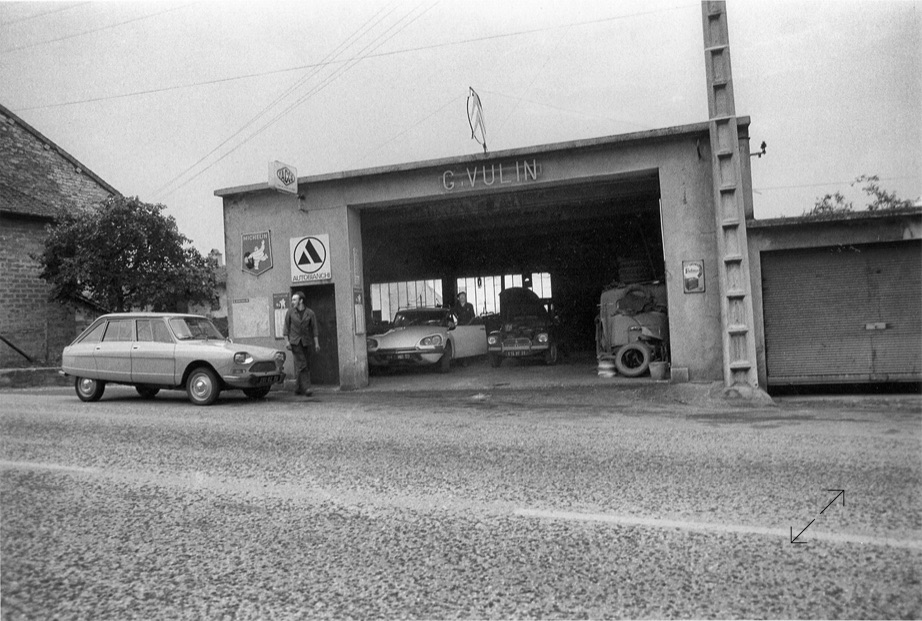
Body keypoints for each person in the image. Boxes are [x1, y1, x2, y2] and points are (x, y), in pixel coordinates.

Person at [283, 291, 320, 397]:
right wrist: (287, 342)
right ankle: (307, 387)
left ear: (301, 301)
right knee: (302, 363)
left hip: (307, 342)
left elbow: (314, 329)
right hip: (295, 342)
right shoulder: (290, 313)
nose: (292, 302)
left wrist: (317, 343)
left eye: (294, 299)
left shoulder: (310, 313)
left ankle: (298, 388)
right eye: (292, 299)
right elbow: (285, 328)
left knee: (304, 365)